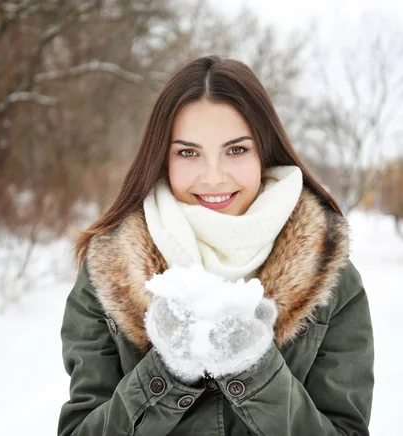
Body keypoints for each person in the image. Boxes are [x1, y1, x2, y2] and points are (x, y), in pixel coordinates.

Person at [58, 55, 374, 436]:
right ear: (163, 159)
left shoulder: (328, 277)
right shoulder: (110, 273)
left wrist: (254, 369)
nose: (213, 177)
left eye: (236, 150)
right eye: (188, 152)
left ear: (263, 152)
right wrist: (166, 370)